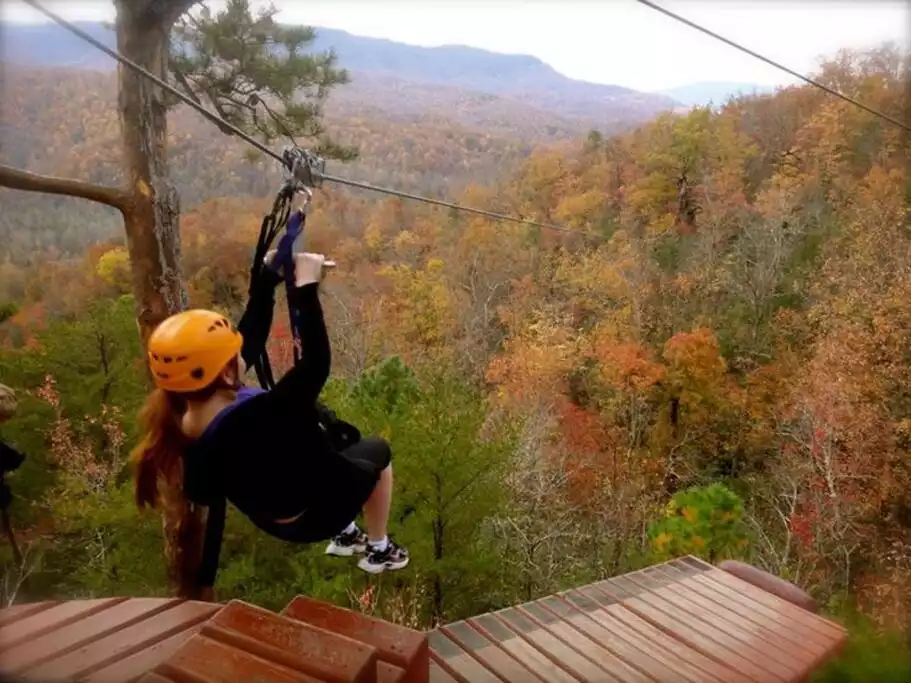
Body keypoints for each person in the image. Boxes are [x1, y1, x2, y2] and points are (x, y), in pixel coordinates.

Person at [130, 191, 408, 600]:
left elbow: (251, 335)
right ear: (225, 370)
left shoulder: (181, 422)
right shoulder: (262, 415)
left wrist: (267, 280)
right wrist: (306, 289)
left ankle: (347, 534)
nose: (242, 353)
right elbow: (314, 364)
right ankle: (378, 547)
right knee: (378, 454)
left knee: (325, 439)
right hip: (316, 513)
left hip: (276, 515)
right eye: (233, 355)